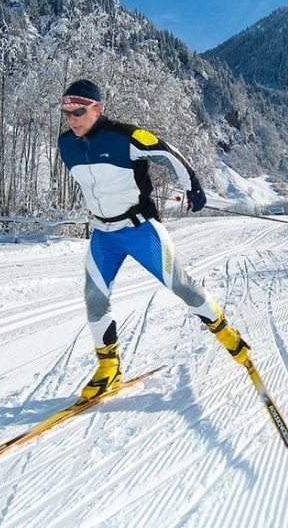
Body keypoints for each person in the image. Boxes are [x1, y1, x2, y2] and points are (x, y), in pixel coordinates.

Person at [57, 79, 250, 403]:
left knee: (182, 286)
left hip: (140, 229)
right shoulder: (67, 145)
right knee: (94, 298)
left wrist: (193, 185)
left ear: (98, 109)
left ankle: (229, 336)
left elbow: (165, 151)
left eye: (79, 111)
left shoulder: (123, 136)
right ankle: (109, 368)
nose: (72, 118)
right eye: (67, 113)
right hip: (103, 235)